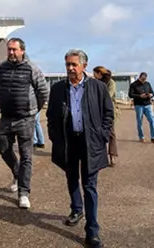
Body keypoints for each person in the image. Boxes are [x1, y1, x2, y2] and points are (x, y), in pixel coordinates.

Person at [46, 49, 113, 248]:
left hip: (90, 142)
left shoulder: (98, 87)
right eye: (68, 64)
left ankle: (92, 230)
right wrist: (55, 138)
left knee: (90, 185)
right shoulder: (58, 89)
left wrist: (102, 135)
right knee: (71, 177)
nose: (70, 68)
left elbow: (108, 113)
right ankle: (77, 208)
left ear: (84, 66)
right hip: (68, 141)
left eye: (74, 65)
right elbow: (51, 116)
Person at [0, 37, 49, 209]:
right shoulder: (1, 68)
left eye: (14, 49)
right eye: (9, 49)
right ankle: (17, 174)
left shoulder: (32, 68)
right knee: (3, 148)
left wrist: (33, 110)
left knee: (26, 156)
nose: (11, 52)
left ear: (22, 50)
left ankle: (23, 192)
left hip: (25, 119)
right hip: (7, 117)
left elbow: (43, 91)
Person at [93, 66, 119, 166]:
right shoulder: (95, 82)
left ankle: (112, 156)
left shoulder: (111, 82)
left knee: (111, 133)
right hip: (96, 110)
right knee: (97, 133)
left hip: (108, 111)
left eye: (95, 73)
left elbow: (109, 95)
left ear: (99, 73)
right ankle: (98, 156)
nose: (94, 75)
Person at [128, 72, 154, 144]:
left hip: (148, 104)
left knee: (152, 120)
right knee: (139, 121)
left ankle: (153, 138)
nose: (143, 81)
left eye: (144, 79)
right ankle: (141, 137)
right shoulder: (133, 85)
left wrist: (150, 95)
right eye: (142, 79)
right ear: (139, 77)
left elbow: (152, 92)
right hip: (138, 105)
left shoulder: (147, 84)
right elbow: (130, 95)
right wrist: (140, 96)